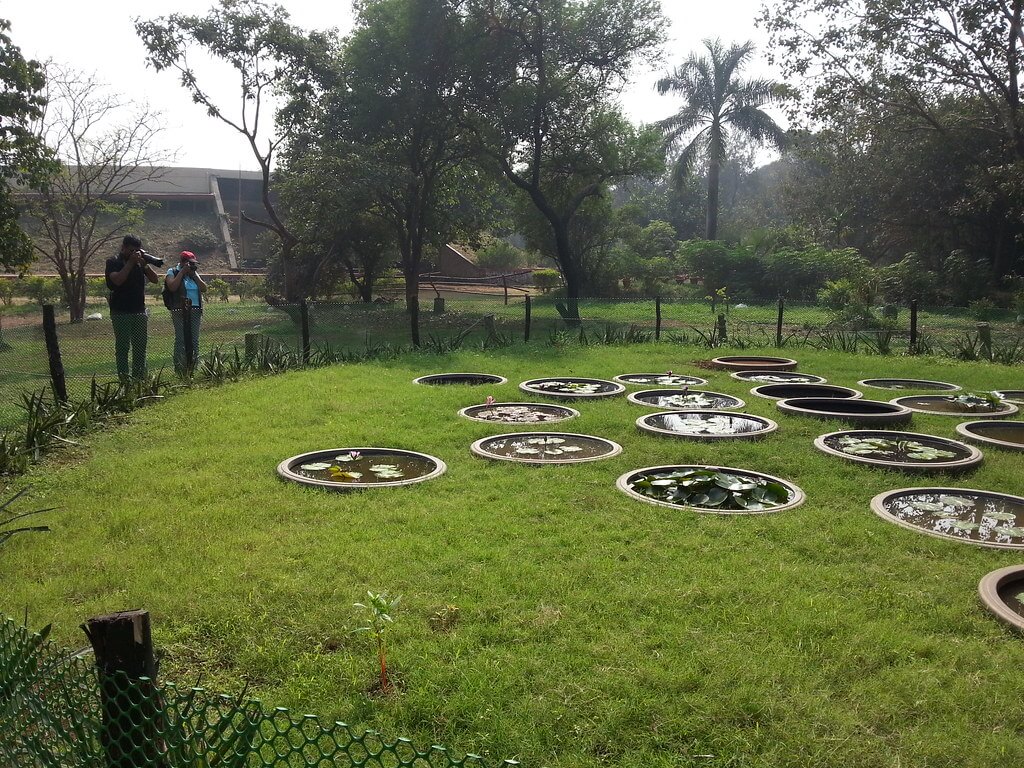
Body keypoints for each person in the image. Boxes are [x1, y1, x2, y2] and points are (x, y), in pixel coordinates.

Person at [105, 234, 159, 382]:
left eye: (137, 250)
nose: (134, 253)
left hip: (139, 311)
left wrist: (144, 264)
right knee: (122, 349)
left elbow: (155, 280)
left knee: (140, 348)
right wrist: (130, 263)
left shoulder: (139, 263)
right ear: (123, 248)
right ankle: (125, 381)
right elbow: (117, 280)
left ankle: (140, 380)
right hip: (120, 312)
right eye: (131, 250)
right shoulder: (113, 262)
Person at [164, 250, 208, 374]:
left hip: (195, 310)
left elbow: (204, 288)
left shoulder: (194, 274)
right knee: (181, 339)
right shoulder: (172, 272)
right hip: (179, 310)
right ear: (183, 262)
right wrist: (182, 273)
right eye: (190, 263)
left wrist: (194, 275)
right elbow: (172, 287)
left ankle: (193, 366)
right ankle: (180, 367)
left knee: (194, 339)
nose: (192, 266)